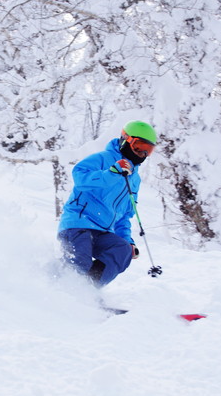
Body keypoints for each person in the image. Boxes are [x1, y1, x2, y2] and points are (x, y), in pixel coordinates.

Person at [57, 121, 157, 287]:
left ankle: (87, 291)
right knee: (80, 262)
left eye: (148, 149)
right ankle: (59, 289)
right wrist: (112, 172)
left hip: (102, 231)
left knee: (122, 250)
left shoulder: (135, 180)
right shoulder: (103, 159)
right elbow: (80, 178)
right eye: (139, 146)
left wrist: (127, 240)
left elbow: (124, 214)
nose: (143, 153)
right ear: (125, 140)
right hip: (78, 223)